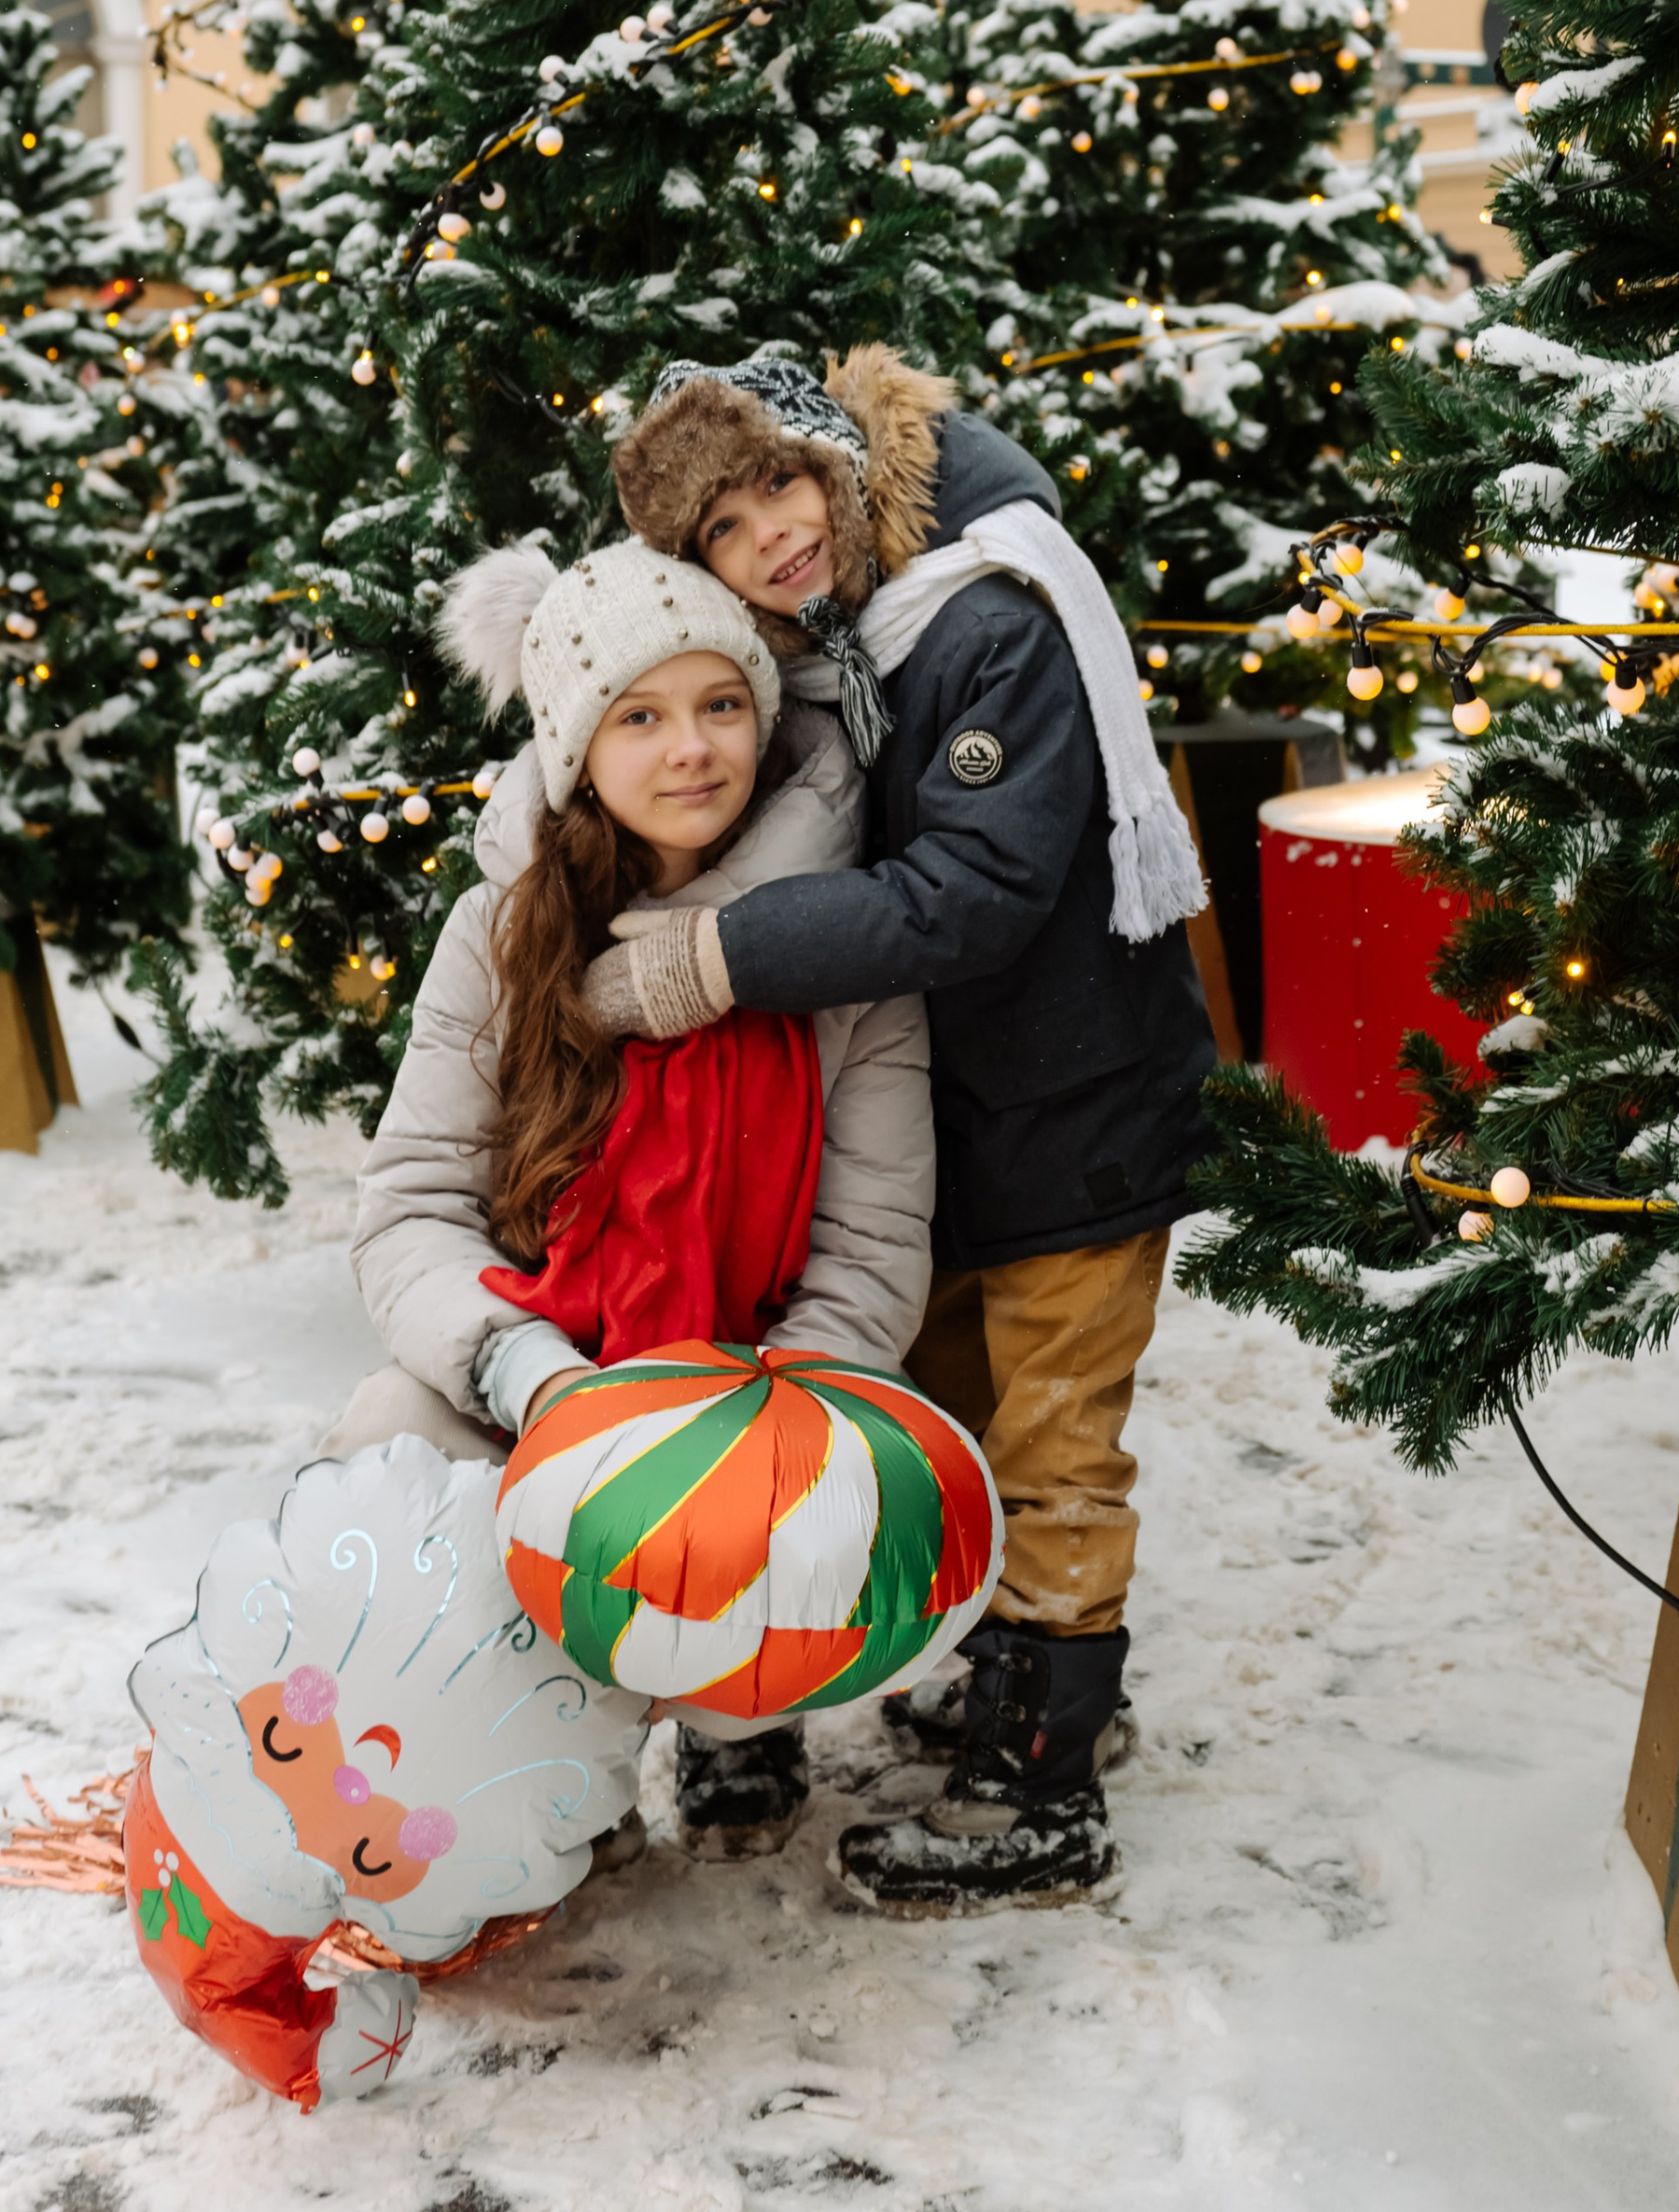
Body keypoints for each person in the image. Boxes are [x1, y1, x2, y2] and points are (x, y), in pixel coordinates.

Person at [605, 343, 1218, 1913]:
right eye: (726, 537)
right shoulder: (842, 648)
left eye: (778, 492)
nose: (772, 542)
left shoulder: (987, 618)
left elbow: (980, 893)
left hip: (1077, 1114)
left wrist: (726, 958)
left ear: (840, 464)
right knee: (952, 1418)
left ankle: (1046, 1778)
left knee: (1057, 1443)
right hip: (975, 1129)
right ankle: (1033, 1671)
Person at [322, 534, 934, 1860]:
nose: (691, 751)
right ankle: (518, 1737)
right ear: (575, 748)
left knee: (777, 1523)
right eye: (640, 718)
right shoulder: (504, 931)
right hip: (550, 1367)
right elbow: (409, 1202)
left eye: (722, 706)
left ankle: (735, 1707)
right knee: (385, 1441)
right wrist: (531, 1375)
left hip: (738, 1395)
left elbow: (871, 1243)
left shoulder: (842, 952)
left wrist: (754, 1439)